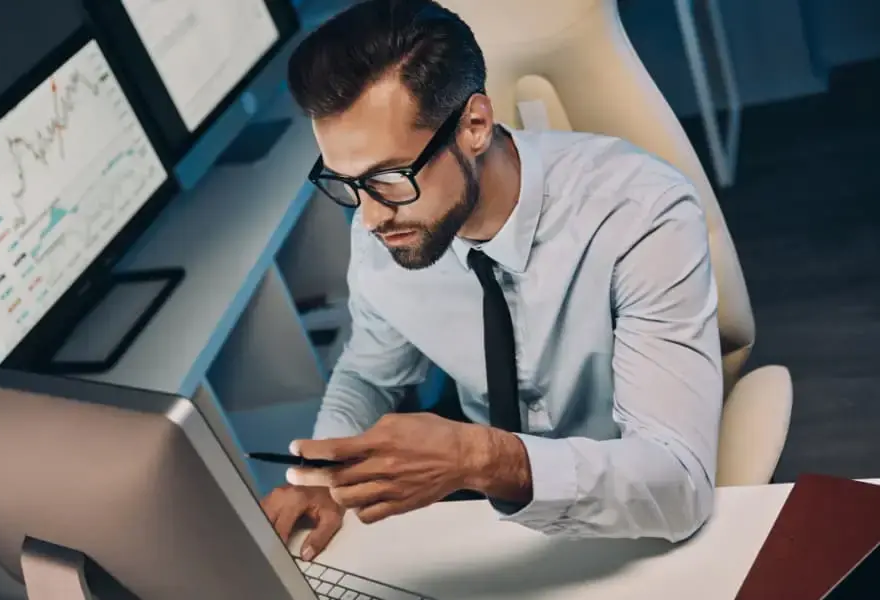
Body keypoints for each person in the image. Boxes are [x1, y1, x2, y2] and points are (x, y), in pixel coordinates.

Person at [261, 0, 723, 561]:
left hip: (633, 523)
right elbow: (368, 371)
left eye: (388, 177)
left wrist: (480, 458)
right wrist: (321, 475)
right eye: (346, 182)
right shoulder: (383, 227)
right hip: (497, 532)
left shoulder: (638, 212)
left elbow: (679, 485)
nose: (371, 215)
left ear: (474, 125)